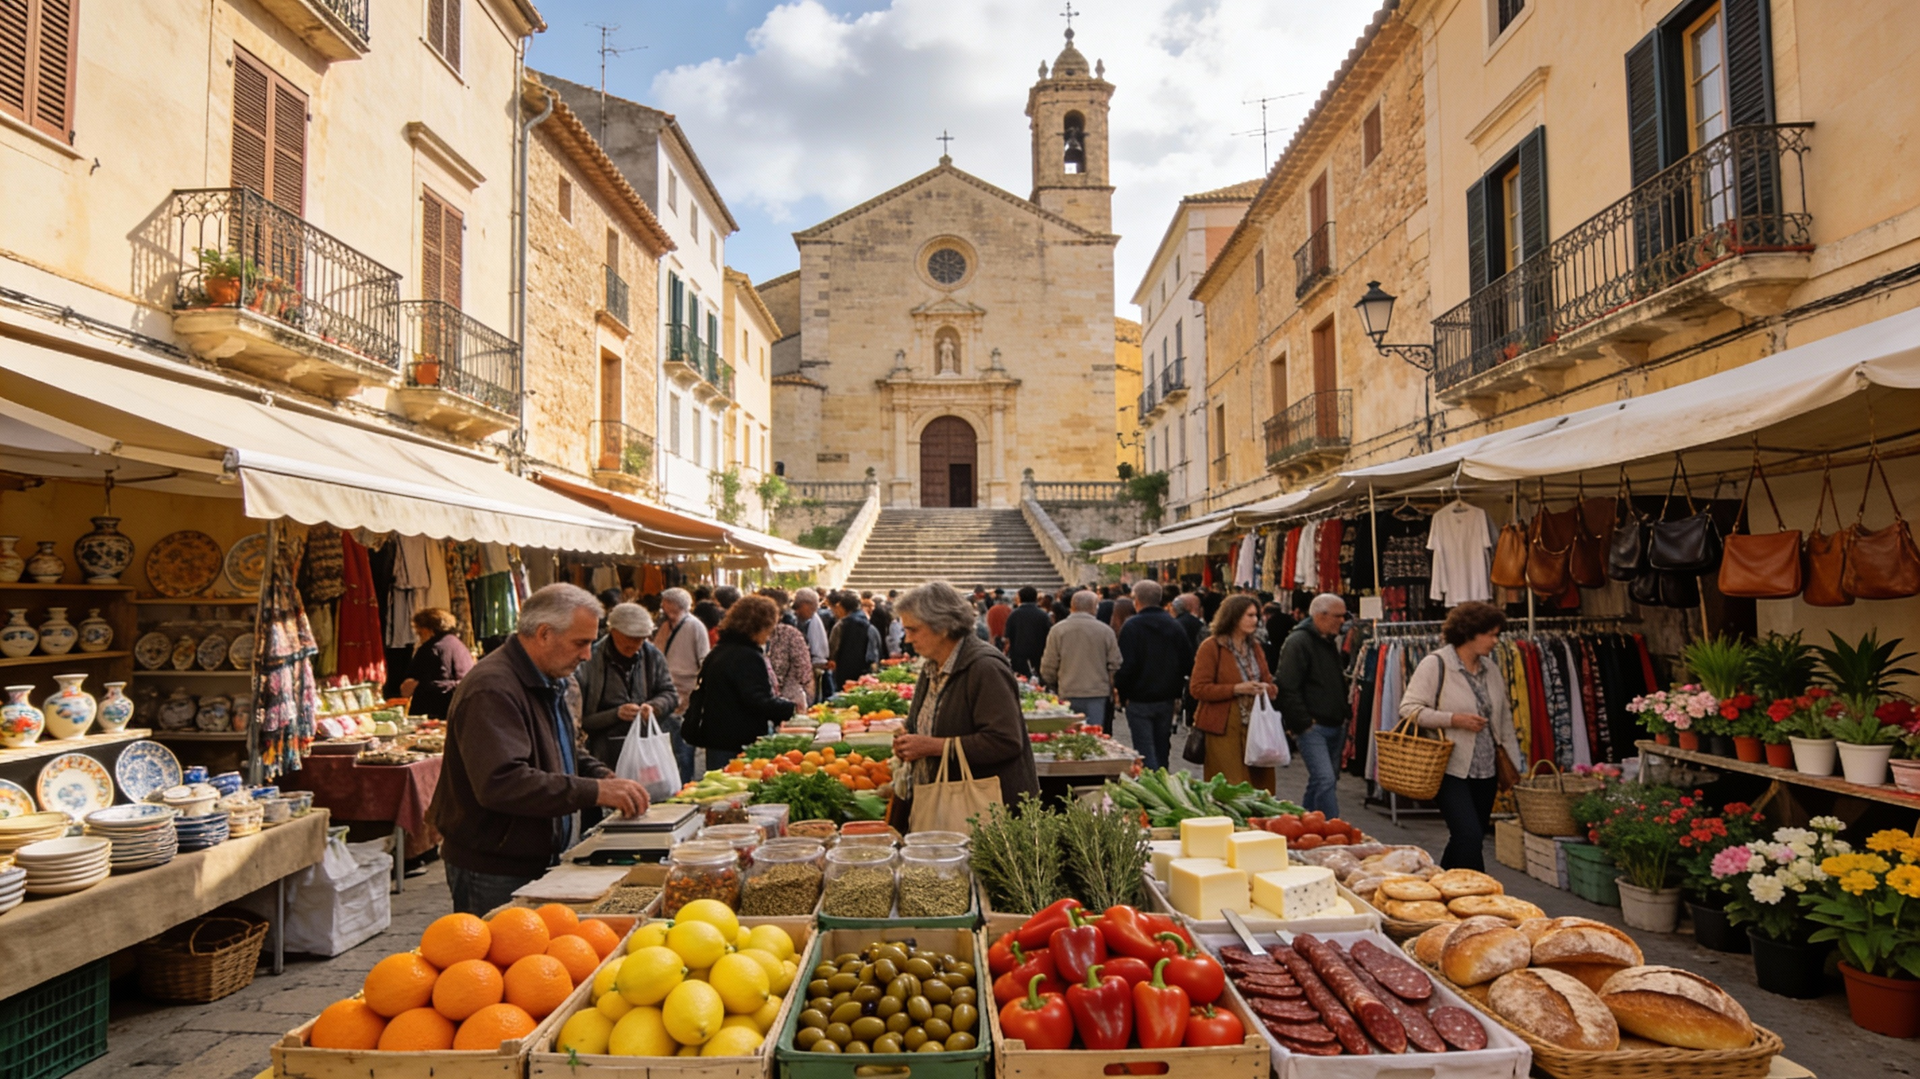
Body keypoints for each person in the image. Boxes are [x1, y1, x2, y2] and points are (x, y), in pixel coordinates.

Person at [429, 584, 650, 915]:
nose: (588, 654)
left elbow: (561, 746)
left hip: (529, 857)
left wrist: (599, 772)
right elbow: (502, 782)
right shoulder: (493, 689)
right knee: (501, 960)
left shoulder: (546, 678)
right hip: (495, 866)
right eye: (581, 643)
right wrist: (595, 791)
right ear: (545, 633)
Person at [887, 582, 1039, 832]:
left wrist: (933, 746)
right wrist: (908, 738)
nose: (908, 638)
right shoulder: (932, 666)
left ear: (943, 626)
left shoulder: (985, 668)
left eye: (914, 629)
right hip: (939, 805)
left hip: (983, 814)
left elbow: (1006, 740)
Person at [1399, 601, 1523, 870]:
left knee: (1468, 837)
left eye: (1497, 634)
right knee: (1469, 834)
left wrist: (1514, 763)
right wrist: (1454, 719)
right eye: (1490, 634)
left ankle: (1443, 883)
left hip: (1486, 768)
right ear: (1469, 633)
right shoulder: (1436, 664)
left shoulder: (1491, 669)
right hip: (1450, 766)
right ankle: (1477, 893)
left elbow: (1503, 720)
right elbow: (1409, 709)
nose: (1495, 640)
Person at [684, 596, 797, 770]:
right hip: (736, 740)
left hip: (716, 736)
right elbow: (755, 699)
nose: (769, 635)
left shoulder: (720, 650)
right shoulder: (747, 656)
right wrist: (790, 709)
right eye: (769, 629)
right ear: (758, 626)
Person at [1190, 595, 1279, 792]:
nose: (1255, 620)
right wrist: (1236, 689)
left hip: (1257, 726)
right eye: (1249, 615)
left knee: (1261, 786)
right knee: (1231, 785)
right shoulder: (1212, 647)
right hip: (1223, 727)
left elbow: (1269, 682)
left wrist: (1267, 688)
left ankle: (1257, 822)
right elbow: (1198, 688)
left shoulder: (1255, 647)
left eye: (1257, 615)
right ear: (1234, 617)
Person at [574, 602, 677, 770]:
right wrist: (616, 714)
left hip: (646, 749)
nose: (636, 645)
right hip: (603, 754)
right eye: (630, 639)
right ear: (613, 631)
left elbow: (670, 694)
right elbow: (580, 719)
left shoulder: (652, 655)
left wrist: (654, 707)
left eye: (641, 639)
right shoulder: (589, 661)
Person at [1275, 593, 1351, 818]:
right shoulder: (1299, 642)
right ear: (1321, 615)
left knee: (1322, 780)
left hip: (1333, 723)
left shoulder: (1325, 641)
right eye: (1338, 616)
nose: (1342, 621)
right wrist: (1304, 723)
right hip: (1313, 726)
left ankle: (1305, 821)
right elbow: (1287, 685)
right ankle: (1331, 827)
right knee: (1325, 779)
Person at [1114, 580, 1193, 770]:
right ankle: (1162, 781)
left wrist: (1122, 693)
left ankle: (1151, 786)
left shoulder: (1132, 626)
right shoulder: (1174, 626)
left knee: (1144, 750)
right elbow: (1188, 662)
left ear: (1136, 600)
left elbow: (1126, 665)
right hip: (1166, 698)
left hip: (1139, 698)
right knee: (1161, 747)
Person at [1039, 589, 1122, 732]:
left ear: (1072, 606)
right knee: (1095, 735)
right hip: (1097, 693)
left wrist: (1055, 684)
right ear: (1095, 607)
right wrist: (1110, 686)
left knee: (1070, 734)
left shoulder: (1058, 630)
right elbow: (1115, 663)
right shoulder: (1105, 631)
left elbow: (1048, 666)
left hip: (1067, 690)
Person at [651, 588, 710, 783]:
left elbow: (703, 659)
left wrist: (696, 694)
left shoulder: (695, 626)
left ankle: (684, 783)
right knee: (667, 746)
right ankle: (672, 782)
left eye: (665, 603)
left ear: (673, 604)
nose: (662, 606)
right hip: (665, 691)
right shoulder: (665, 627)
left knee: (683, 747)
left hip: (686, 692)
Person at [399, 607, 474, 720]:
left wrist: (413, 686)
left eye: (420, 633)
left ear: (428, 630)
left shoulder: (430, 649)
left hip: (436, 712)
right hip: (463, 708)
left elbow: (409, 687)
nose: (419, 637)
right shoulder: (459, 645)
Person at [757, 588, 815, 710]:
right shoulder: (747, 637)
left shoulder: (789, 634)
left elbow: (804, 672)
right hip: (764, 704)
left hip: (787, 703)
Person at [826, 590, 881, 692]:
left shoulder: (841, 625)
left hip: (844, 673)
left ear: (841, 607)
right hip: (865, 673)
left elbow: (832, 649)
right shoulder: (869, 625)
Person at [1002, 585, 1052, 678]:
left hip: (1018, 657)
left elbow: (1008, 638)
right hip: (1039, 656)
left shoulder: (1014, 615)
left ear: (1020, 598)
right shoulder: (1043, 615)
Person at [793, 587, 830, 695]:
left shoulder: (811, 620)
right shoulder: (804, 620)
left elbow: (818, 651)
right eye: (812, 608)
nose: (813, 611)